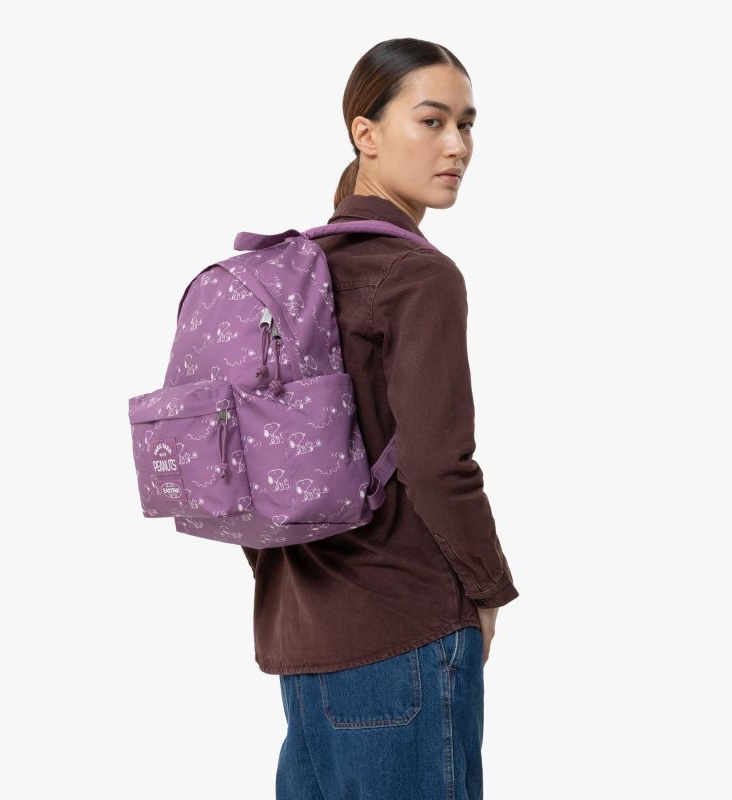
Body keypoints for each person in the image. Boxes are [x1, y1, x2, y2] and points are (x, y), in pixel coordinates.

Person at [242, 37, 520, 800]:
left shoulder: (287, 275)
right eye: (432, 122)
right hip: (407, 630)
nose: (457, 146)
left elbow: (251, 467)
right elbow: (437, 464)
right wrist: (487, 590)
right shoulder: (418, 275)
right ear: (364, 133)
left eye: (467, 124)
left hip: (301, 639)